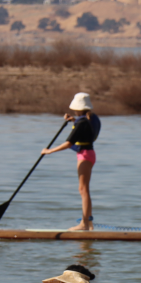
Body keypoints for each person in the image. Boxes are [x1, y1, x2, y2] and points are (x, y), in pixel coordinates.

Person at [41, 93, 101, 231]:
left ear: (76, 107)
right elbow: (83, 129)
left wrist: (49, 151)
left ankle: (84, 224)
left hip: (85, 156)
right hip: (88, 154)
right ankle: (89, 223)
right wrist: (74, 120)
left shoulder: (82, 122)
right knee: (84, 189)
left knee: (83, 189)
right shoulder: (87, 119)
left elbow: (69, 143)